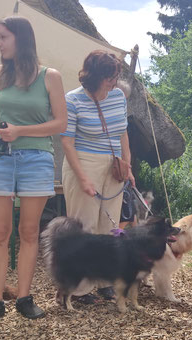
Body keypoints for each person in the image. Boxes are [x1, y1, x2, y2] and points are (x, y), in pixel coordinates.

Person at [0, 16, 67, 322]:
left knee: (29, 231)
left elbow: (60, 123)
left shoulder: (51, 76)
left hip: (36, 159)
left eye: (2, 37)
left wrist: (22, 130)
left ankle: (24, 297)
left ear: (20, 39)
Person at [61, 50, 134, 303]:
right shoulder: (72, 100)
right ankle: (78, 289)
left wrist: (128, 165)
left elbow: (123, 133)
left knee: (110, 226)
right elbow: (67, 143)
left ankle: (104, 281)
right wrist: (82, 177)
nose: (113, 81)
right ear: (95, 75)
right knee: (84, 227)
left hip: (113, 164)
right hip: (82, 161)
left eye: (115, 76)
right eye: (109, 76)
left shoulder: (118, 97)